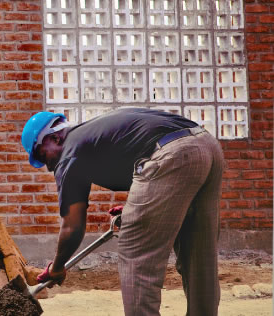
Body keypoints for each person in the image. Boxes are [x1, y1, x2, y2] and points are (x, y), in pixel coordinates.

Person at [21, 107, 224, 316]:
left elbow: (73, 226)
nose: (46, 166)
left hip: (174, 153)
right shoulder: (91, 136)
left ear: (54, 138)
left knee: (136, 253)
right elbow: (151, 168)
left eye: (41, 155)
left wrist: (57, 266)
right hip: (206, 145)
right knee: (199, 253)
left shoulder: (69, 153)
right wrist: (137, 206)